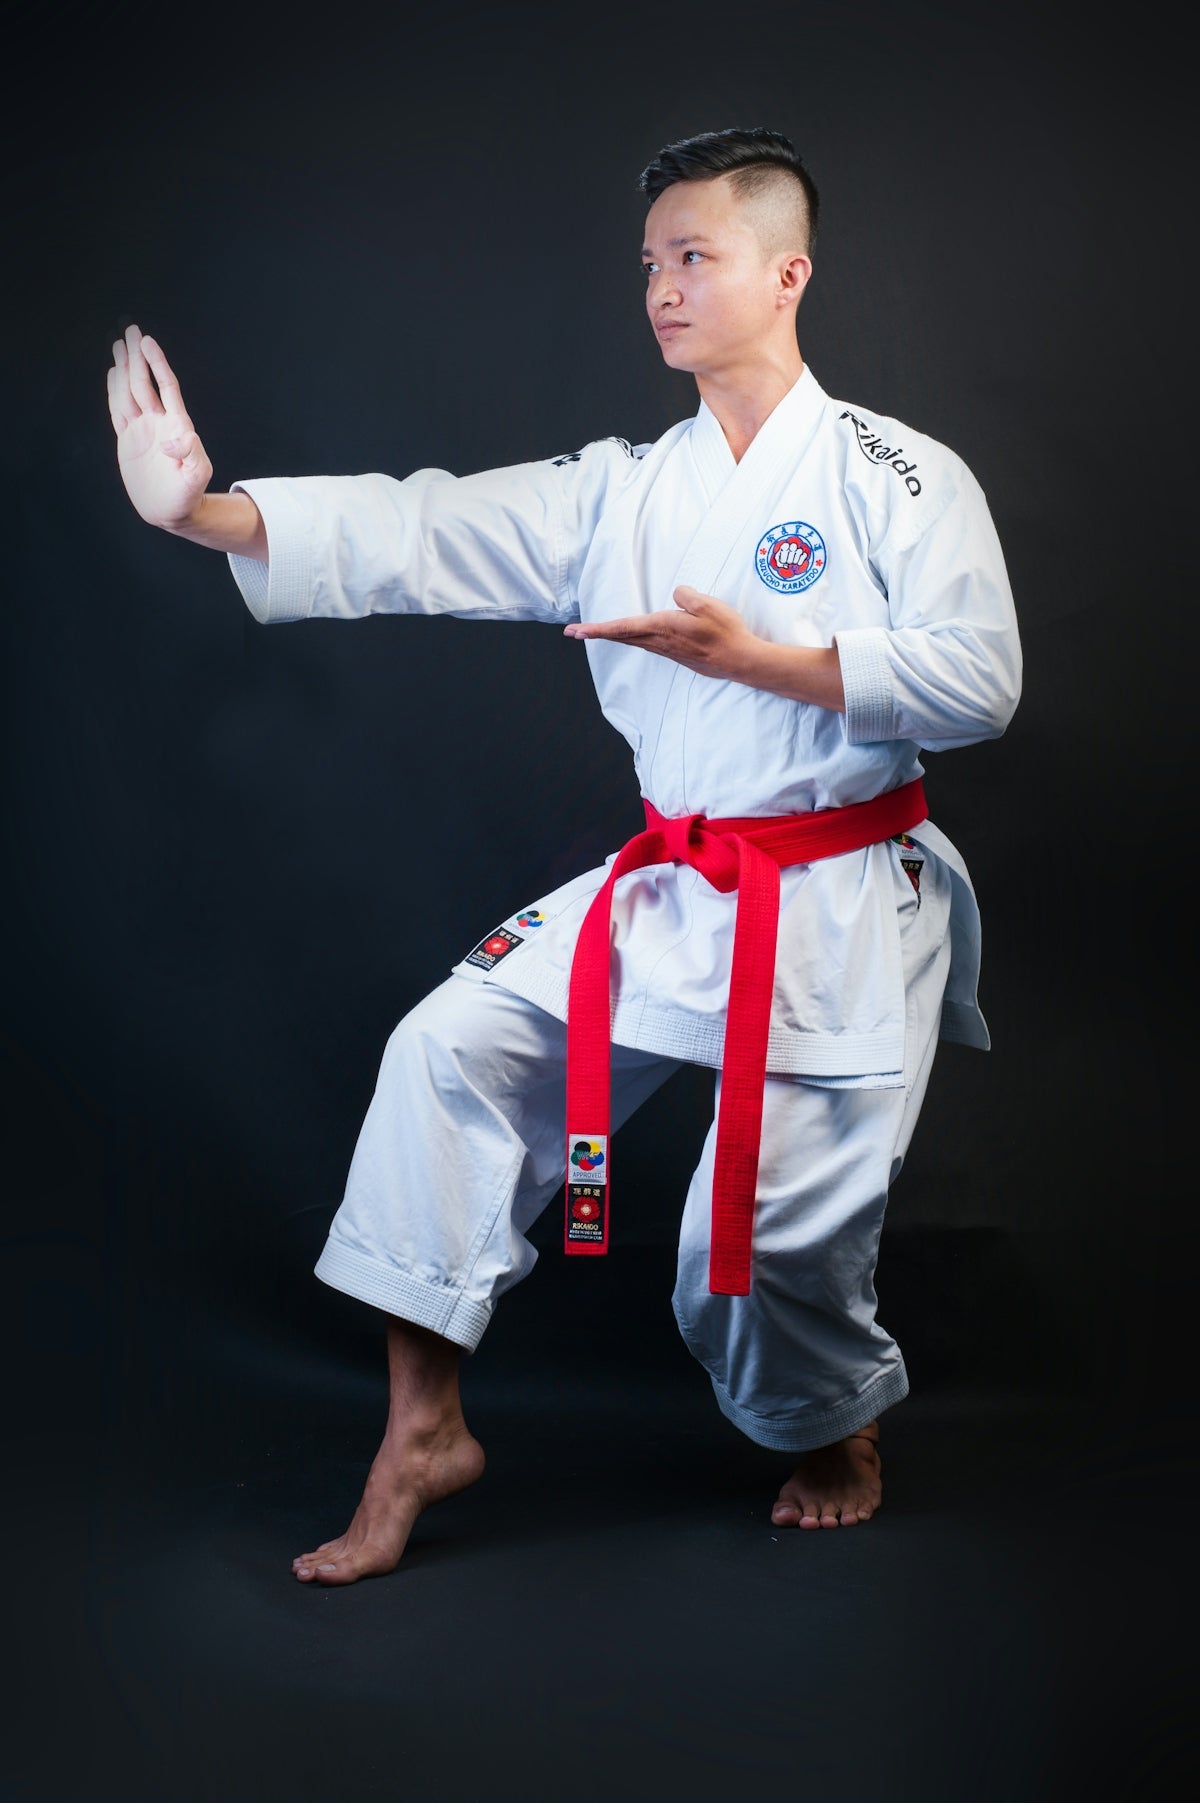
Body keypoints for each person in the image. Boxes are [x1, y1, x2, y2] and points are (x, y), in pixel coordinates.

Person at [106, 125, 1021, 1583]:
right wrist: (204, 512)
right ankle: (421, 1428)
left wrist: (764, 660)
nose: (660, 287)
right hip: (683, 874)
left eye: (695, 257)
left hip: (841, 892)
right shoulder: (623, 489)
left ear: (788, 272)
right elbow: (427, 528)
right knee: (445, 1051)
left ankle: (828, 1423)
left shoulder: (902, 477)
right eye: (650, 262)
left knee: (753, 1257)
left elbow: (981, 683)